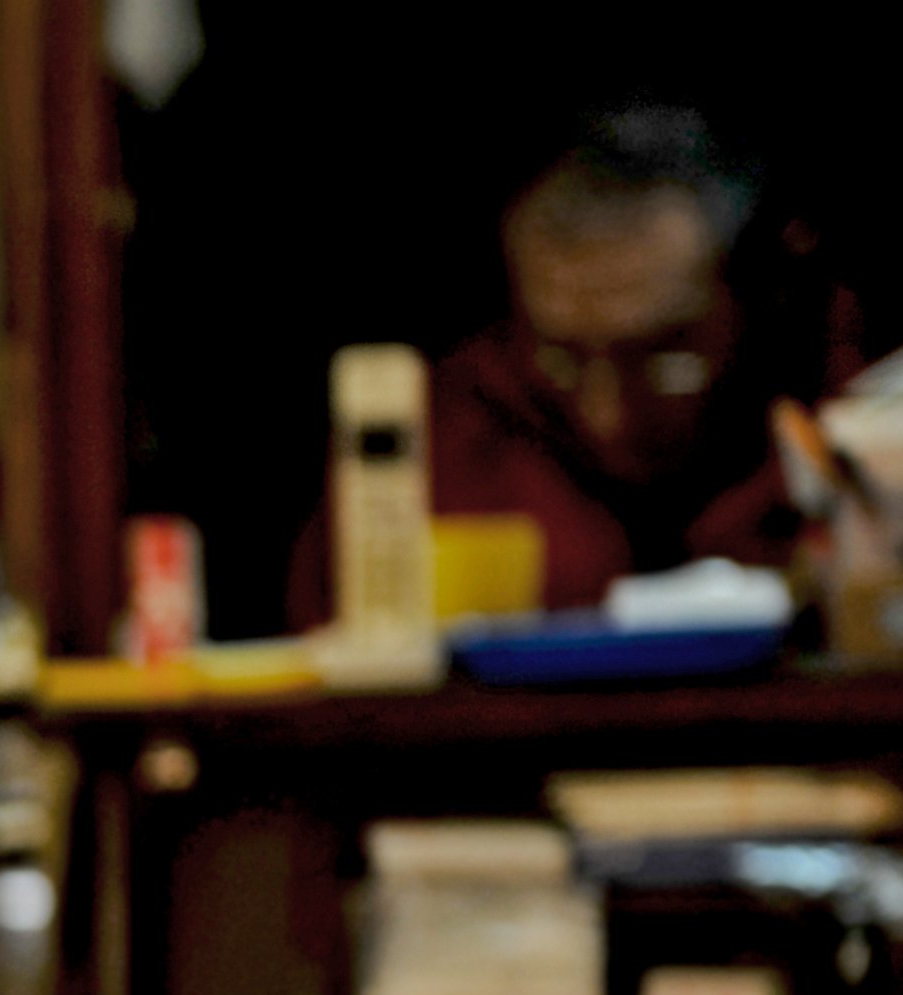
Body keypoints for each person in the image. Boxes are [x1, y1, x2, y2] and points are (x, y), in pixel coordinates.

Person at [294, 105, 852, 621]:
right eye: (561, 360)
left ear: (766, 301)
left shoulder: (868, 424)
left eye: (666, 358)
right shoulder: (438, 448)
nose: (608, 416)